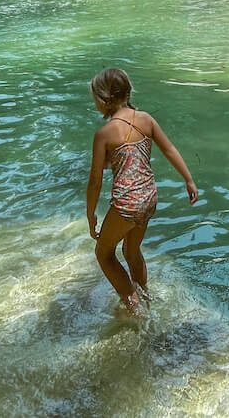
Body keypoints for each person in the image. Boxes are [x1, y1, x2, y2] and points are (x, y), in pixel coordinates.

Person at [86, 67, 198, 314]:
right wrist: (188, 180)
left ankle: (133, 305)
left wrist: (91, 213)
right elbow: (169, 149)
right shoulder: (146, 119)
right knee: (131, 249)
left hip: (127, 204)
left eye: (95, 98)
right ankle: (145, 295)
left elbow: (95, 181)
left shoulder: (103, 134)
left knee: (104, 253)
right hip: (149, 198)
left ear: (105, 100)